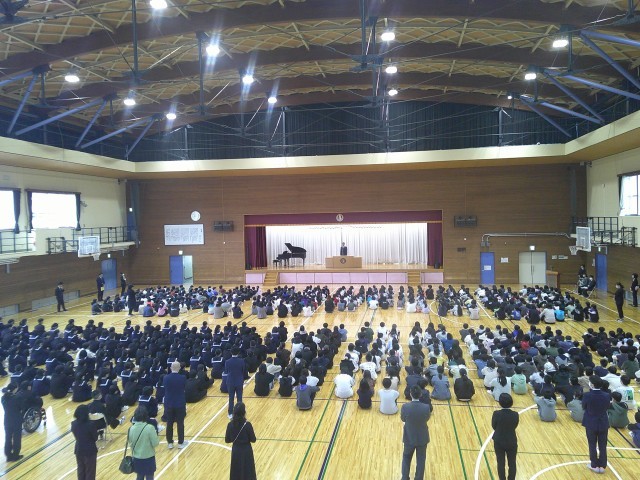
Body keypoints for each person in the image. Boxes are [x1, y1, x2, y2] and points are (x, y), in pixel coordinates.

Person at [401, 385, 431, 480]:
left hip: (409, 437)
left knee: (406, 458)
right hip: (422, 438)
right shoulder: (426, 407)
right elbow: (427, 418)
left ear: (410, 394)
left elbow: (403, 418)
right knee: (421, 460)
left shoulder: (405, 407)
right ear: (420, 394)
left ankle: (405, 478)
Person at [582, 376, 612, 474]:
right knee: (603, 445)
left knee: (592, 444)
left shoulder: (587, 395)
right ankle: (602, 466)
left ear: (592, 384)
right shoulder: (606, 395)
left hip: (591, 423)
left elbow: (584, 406)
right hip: (603, 422)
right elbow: (607, 406)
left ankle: (594, 465)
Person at [225, 402, 257, 480]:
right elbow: (253, 439)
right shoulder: (247, 425)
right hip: (246, 451)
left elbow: (227, 440)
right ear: (244, 412)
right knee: (248, 471)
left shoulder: (230, 425)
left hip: (236, 450)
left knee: (236, 472)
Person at [492, 393, 519, 480]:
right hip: (511, 440)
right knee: (512, 463)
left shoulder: (496, 414)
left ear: (500, 402)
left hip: (499, 440)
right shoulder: (515, 414)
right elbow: (515, 425)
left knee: (500, 463)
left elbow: (494, 426)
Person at [129, 406, 160, 480]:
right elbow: (155, 443)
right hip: (148, 458)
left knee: (139, 477)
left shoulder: (131, 429)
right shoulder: (150, 428)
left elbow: (130, 443)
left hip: (137, 458)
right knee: (149, 477)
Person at [163, 361, 187, 449]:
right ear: (179, 368)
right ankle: (180, 442)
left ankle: (169, 442)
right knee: (180, 423)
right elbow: (184, 387)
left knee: (169, 423)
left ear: (170, 368)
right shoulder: (182, 378)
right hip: (180, 403)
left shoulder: (165, 378)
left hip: (168, 403)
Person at [71, 404, 98, 480]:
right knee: (90, 472)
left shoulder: (73, 423)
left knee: (81, 470)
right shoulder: (91, 424)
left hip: (79, 449)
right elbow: (95, 438)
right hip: (90, 451)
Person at [2, 383, 24, 462]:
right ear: (14, 389)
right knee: (16, 438)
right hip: (16, 420)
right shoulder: (17, 398)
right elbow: (21, 407)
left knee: (8, 438)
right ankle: (15, 455)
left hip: (7, 420)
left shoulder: (3, 398)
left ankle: (8, 455)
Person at [225, 347, 247, 419]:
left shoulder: (227, 361)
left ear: (231, 352)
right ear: (238, 352)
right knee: (239, 398)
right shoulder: (241, 361)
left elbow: (226, 371)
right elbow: (243, 370)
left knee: (231, 398)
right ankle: (240, 413)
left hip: (230, 381)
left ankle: (230, 413)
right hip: (239, 381)